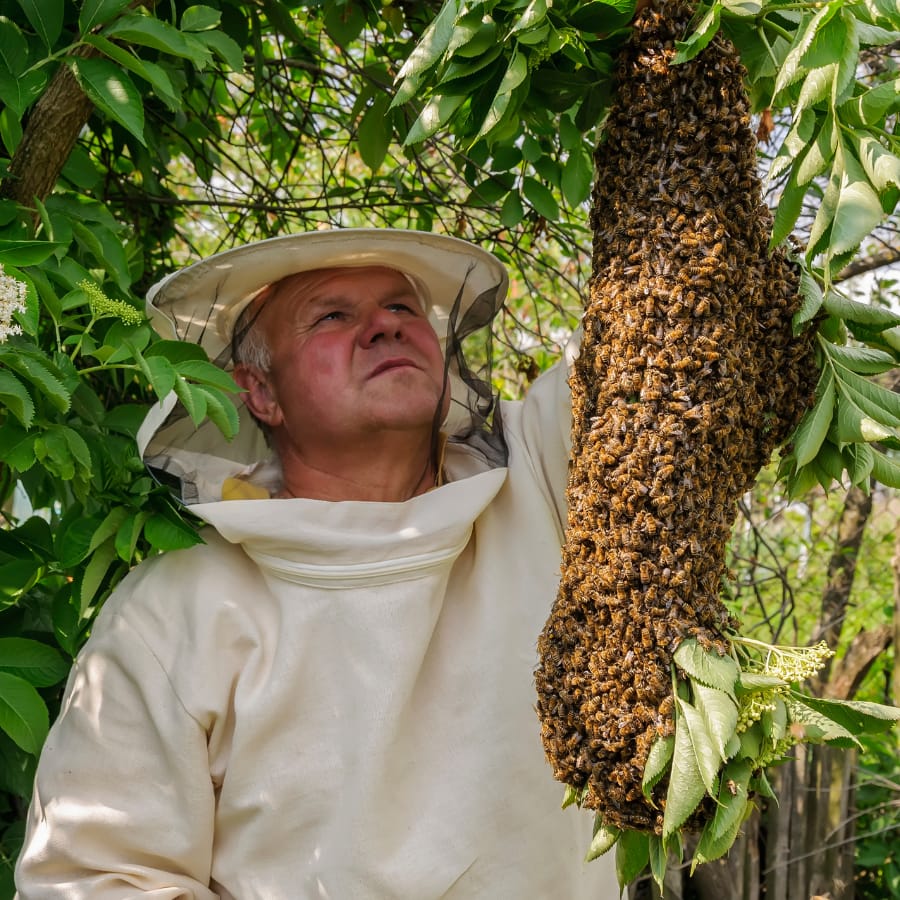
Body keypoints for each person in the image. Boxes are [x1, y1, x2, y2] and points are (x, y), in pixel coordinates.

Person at [15, 229, 617, 898]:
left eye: (403, 307)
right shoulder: (175, 613)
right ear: (260, 392)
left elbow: (656, 338)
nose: (385, 326)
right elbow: (93, 878)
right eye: (333, 315)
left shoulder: (543, 474)